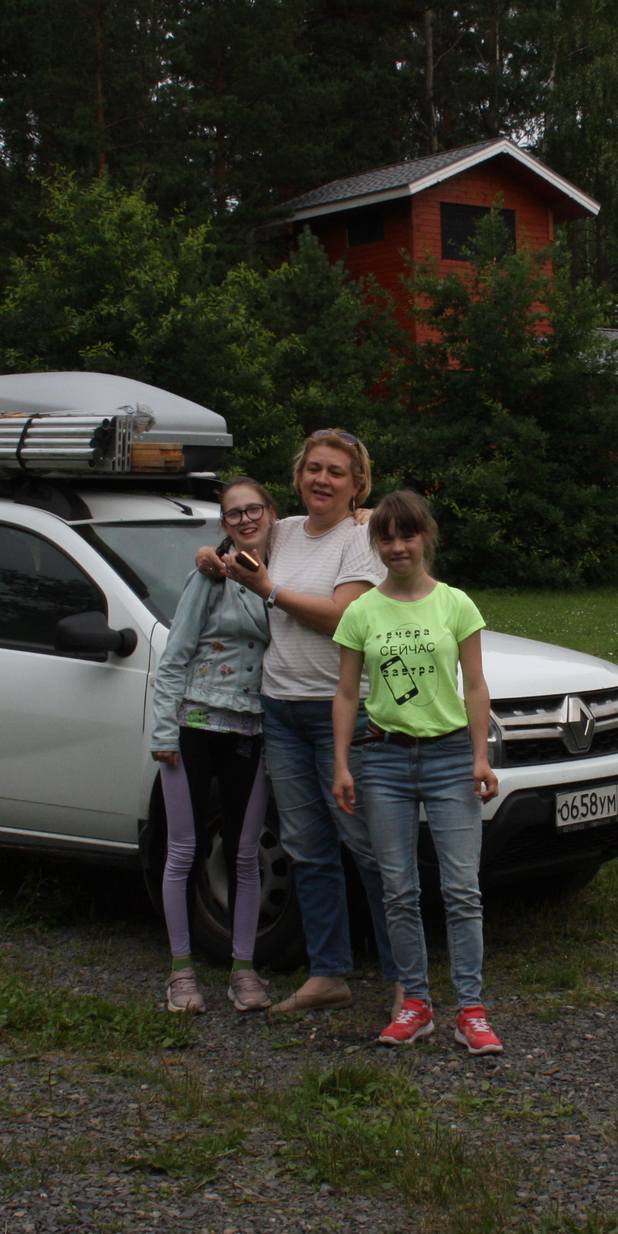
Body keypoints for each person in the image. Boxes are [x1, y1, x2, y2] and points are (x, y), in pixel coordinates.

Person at [201, 430, 403, 1018]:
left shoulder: (361, 536)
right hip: (282, 710)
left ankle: (404, 980)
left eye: (336, 472)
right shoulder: (282, 531)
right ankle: (329, 974)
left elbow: (345, 618)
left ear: (358, 484)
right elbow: (224, 550)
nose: (322, 479)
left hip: (344, 714)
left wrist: (269, 588)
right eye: (313, 468)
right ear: (297, 476)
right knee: (309, 850)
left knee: (369, 848)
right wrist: (206, 558)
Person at [330, 490, 504, 1056]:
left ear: (426, 537)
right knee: (398, 889)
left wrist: (481, 756)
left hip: (451, 756)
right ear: (375, 544)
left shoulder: (456, 604)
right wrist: (341, 764)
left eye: (408, 535)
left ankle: (471, 1011)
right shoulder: (361, 610)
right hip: (382, 760)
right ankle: (416, 1005)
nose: (398, 546)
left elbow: (475, 685)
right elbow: (347, 692)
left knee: (462, 889)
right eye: (386, 537)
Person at [149, 478, 279, 1013]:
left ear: (271, 513)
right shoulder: (209, 575)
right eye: (233, 514)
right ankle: (181, 973)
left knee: (245, 854)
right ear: (223, 524)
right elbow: (174, 657)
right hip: (192, 726)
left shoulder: (278, 576)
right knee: (184, 850)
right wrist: (162, 733)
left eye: (253, 510)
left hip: (252, 729)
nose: (245, 520)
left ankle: (243, 971)